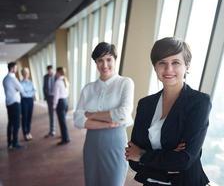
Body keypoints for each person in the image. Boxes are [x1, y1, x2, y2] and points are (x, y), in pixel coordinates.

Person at [125, 37, 212, 186]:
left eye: (175, 63)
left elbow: (184, 161)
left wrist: (142, 155)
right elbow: (132, 159)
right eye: (162, 63)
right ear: (155, 67)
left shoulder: (199, 102)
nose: (168, 69)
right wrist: (168, 159)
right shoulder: (145, 104)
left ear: (187, 66)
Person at [73, 42, 134, 186]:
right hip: (91, 145)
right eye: (100, 60)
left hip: (116, 144)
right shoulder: (88, 89)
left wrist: (91, 115)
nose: (104, 65)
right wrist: (108, 122)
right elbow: (77, 119)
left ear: (114, 60)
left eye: (108, 59)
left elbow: (123, 114)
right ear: (96, 63)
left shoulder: (125, 83)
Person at [2, 62, 25, 149]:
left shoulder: (5, 79)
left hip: (8, 103)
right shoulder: (13, 79)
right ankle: (15, 143)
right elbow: (21, 89)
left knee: (10, 123)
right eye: (16, 67)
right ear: (12, 68)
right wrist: (18, 89)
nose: (17, 69)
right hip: (15, 103)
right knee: (16, 124)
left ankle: (9, 142)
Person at [53, 67, 70, 145]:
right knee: (63, 122)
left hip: (60, 103)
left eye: (56, 72)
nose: (55, 74)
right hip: (66, 101)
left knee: (62, 122)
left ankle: (65, 139)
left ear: (59, 73)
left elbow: (56, 96)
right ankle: (65, 136)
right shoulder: (65, 80)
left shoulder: (58, 82)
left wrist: (54, 105)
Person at [20, 67, 36, 141]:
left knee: (29, 117)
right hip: (24, 101)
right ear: (22, 74)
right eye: (25, 72)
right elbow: (23, 94)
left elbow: (34, 91)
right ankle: (25, 133)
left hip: (30, 101)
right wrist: (29, 93)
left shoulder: (31, 82)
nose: (27, 74)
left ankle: (29, 132)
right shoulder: (20, 83)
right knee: (25, 117)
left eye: (27, 72)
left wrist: (28, 93)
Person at [43, 65, 55, 137]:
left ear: (53, 70)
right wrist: (45, 97)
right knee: (51, 115)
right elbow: (44, 87)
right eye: (48, 71)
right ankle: (52, 130)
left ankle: (63, 132)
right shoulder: (45, 77)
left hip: (56, 98)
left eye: (51, 70)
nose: (49, 72)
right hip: (49, 98)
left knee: (60, 116)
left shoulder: (56, 77)